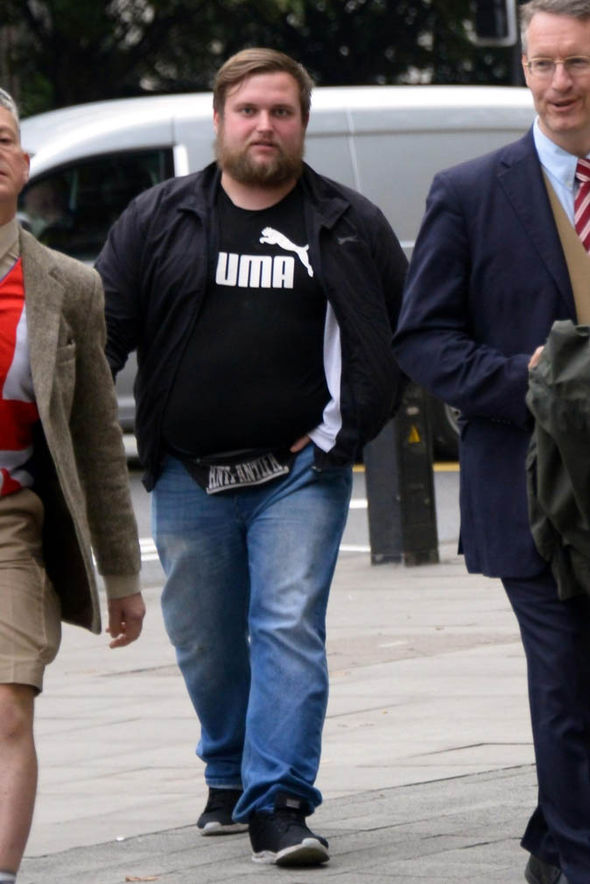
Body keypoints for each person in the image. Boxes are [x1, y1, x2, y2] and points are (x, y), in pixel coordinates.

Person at [96, 47, 406, 867]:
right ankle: (228, 771)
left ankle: (281, 803)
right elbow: (103, 339)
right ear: (218, 120)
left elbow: (402, 335)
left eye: (281, 111)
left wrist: (344, 431)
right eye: (249, 111)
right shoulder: (157, 218)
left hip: (300, 471)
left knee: (288, 624)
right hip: (187, 471)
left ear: (302, 123)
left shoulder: (347, 222)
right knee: (203, 638)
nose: (264, 125)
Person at [392, 1, 590, 882]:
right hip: (529, 494)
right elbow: (423, 340)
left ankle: (555, 842)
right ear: (522, 68)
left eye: (578, 64)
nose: (560, 84)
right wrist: (532, 380)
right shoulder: (471, 192)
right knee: (566, 689)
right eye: (543, 64)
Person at [0, 88, 145, 884]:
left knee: (8, 702)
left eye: (1, 140)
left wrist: (121, 576)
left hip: (9, 530)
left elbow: (95, 438)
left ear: (24, 164)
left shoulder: (67, 286)